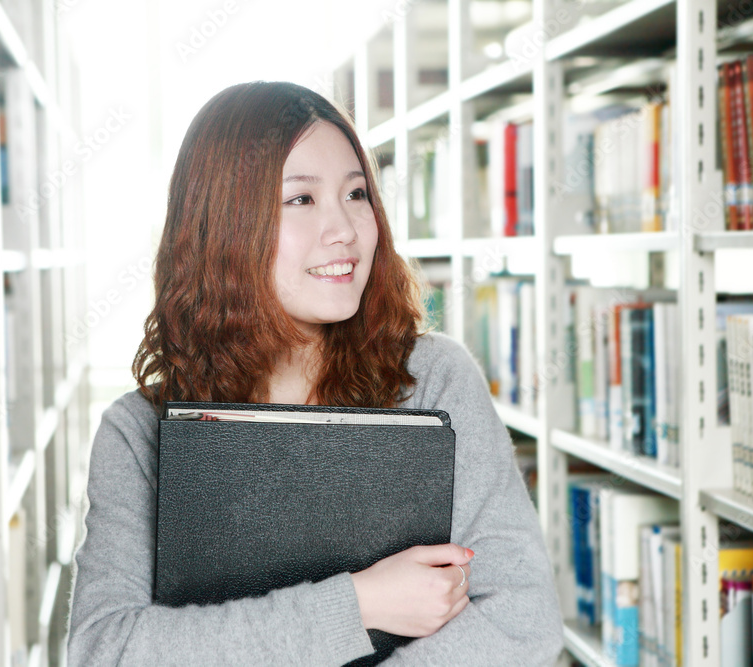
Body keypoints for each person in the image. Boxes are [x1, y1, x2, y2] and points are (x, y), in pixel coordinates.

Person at [67, 81, 563, 666]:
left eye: (357, 194)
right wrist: (358, 605)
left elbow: (524, 619)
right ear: (223, 224)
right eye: (301, 200)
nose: (347, 230)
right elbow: (107, 652)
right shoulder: (138, 430)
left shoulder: (433, 379)